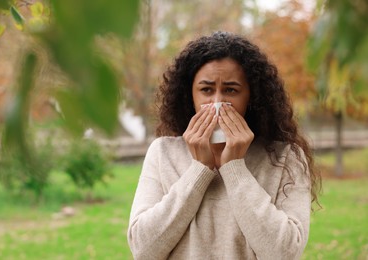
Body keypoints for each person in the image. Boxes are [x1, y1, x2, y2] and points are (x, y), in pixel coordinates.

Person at [127, 31, 321, 260]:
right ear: (190, 96)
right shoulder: (162, 153)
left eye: (231, 90)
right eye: (206, 90)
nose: (217, 103)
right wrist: (199, 170)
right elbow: (143, 249)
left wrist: (234, 168)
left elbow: (284, 253)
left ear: (252, 97)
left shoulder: (286, 157)